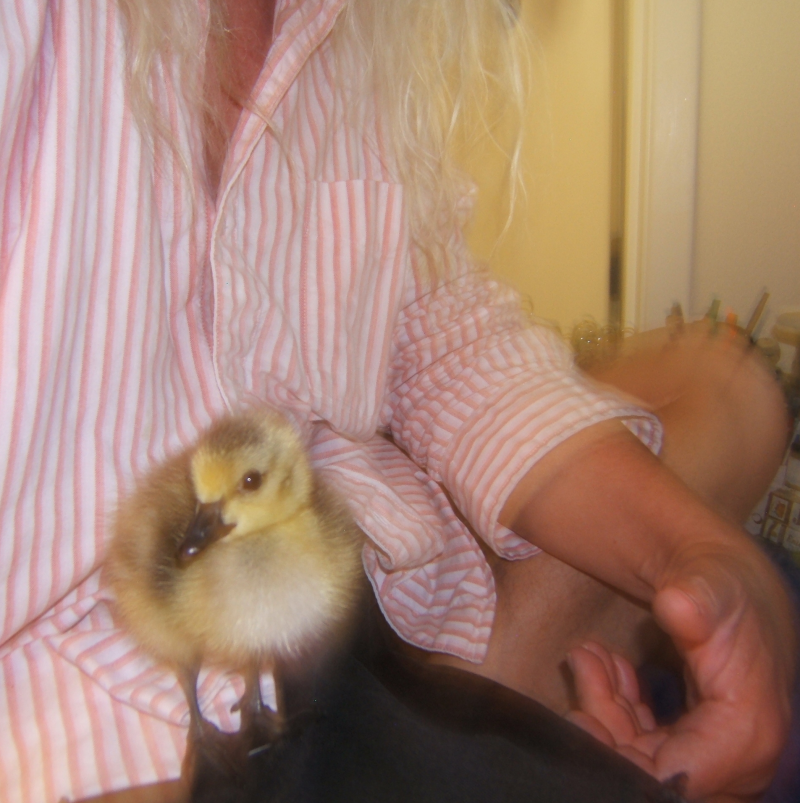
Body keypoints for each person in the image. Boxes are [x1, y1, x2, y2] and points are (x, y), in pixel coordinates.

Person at [0, 0, 794, 801]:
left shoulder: (352, 34)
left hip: (365, 599)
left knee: (726, 396)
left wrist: (705, 562)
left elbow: (441, 331)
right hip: (106, 722)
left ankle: (453, 727)